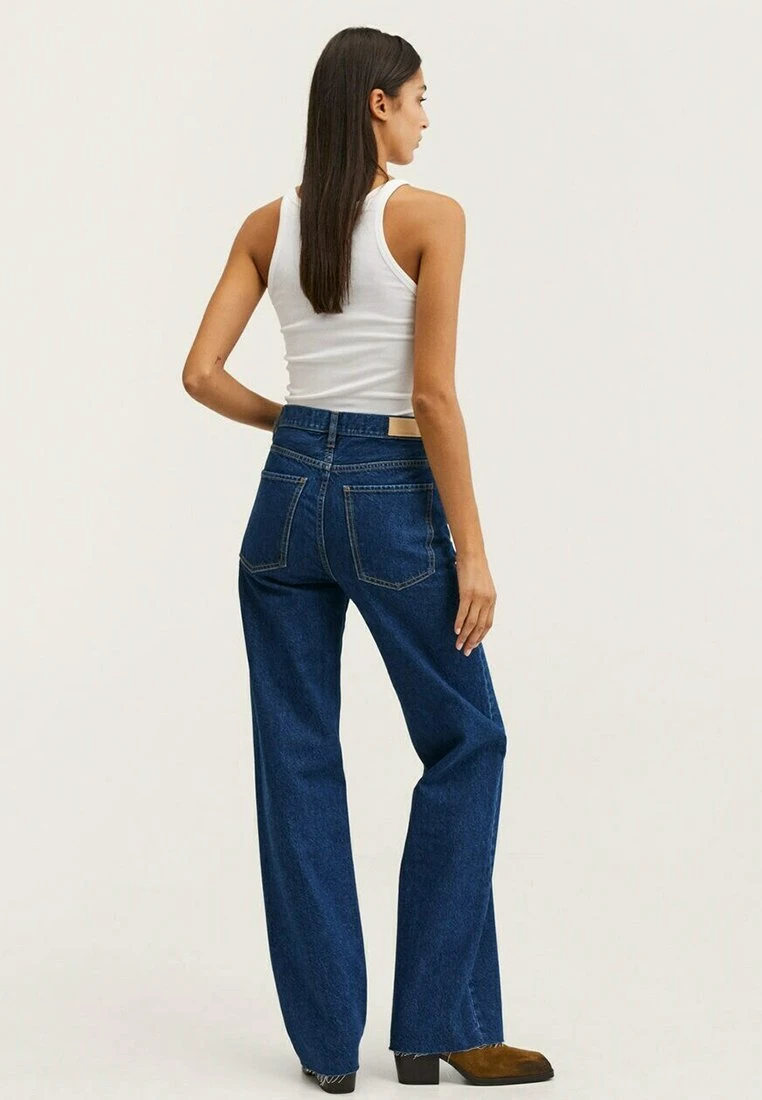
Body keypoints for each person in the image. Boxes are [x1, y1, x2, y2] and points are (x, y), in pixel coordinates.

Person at [182, 26, 553, 1095]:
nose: (428, 117)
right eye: (420, 97)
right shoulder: (430, 217)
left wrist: (298, 432)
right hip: (391, 500)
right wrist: (472, 550)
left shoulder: (267, 223)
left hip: (286, 502)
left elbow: (201, 373)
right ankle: (443, 1024)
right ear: (377, 104)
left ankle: (327, 1049)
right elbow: (432, 396)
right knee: (468, 739)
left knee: (295, 760)